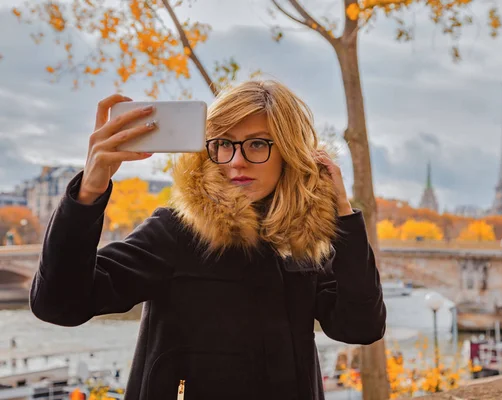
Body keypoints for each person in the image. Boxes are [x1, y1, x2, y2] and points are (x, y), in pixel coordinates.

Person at [30, 80, 386, 400]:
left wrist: (343, 218)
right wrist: (88, 193)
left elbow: (360, 327)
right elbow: (58, 304)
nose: (236, 162)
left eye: (257, 144)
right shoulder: (178, 231)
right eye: (223, 145)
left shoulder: (301, 240)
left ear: (290, 153)